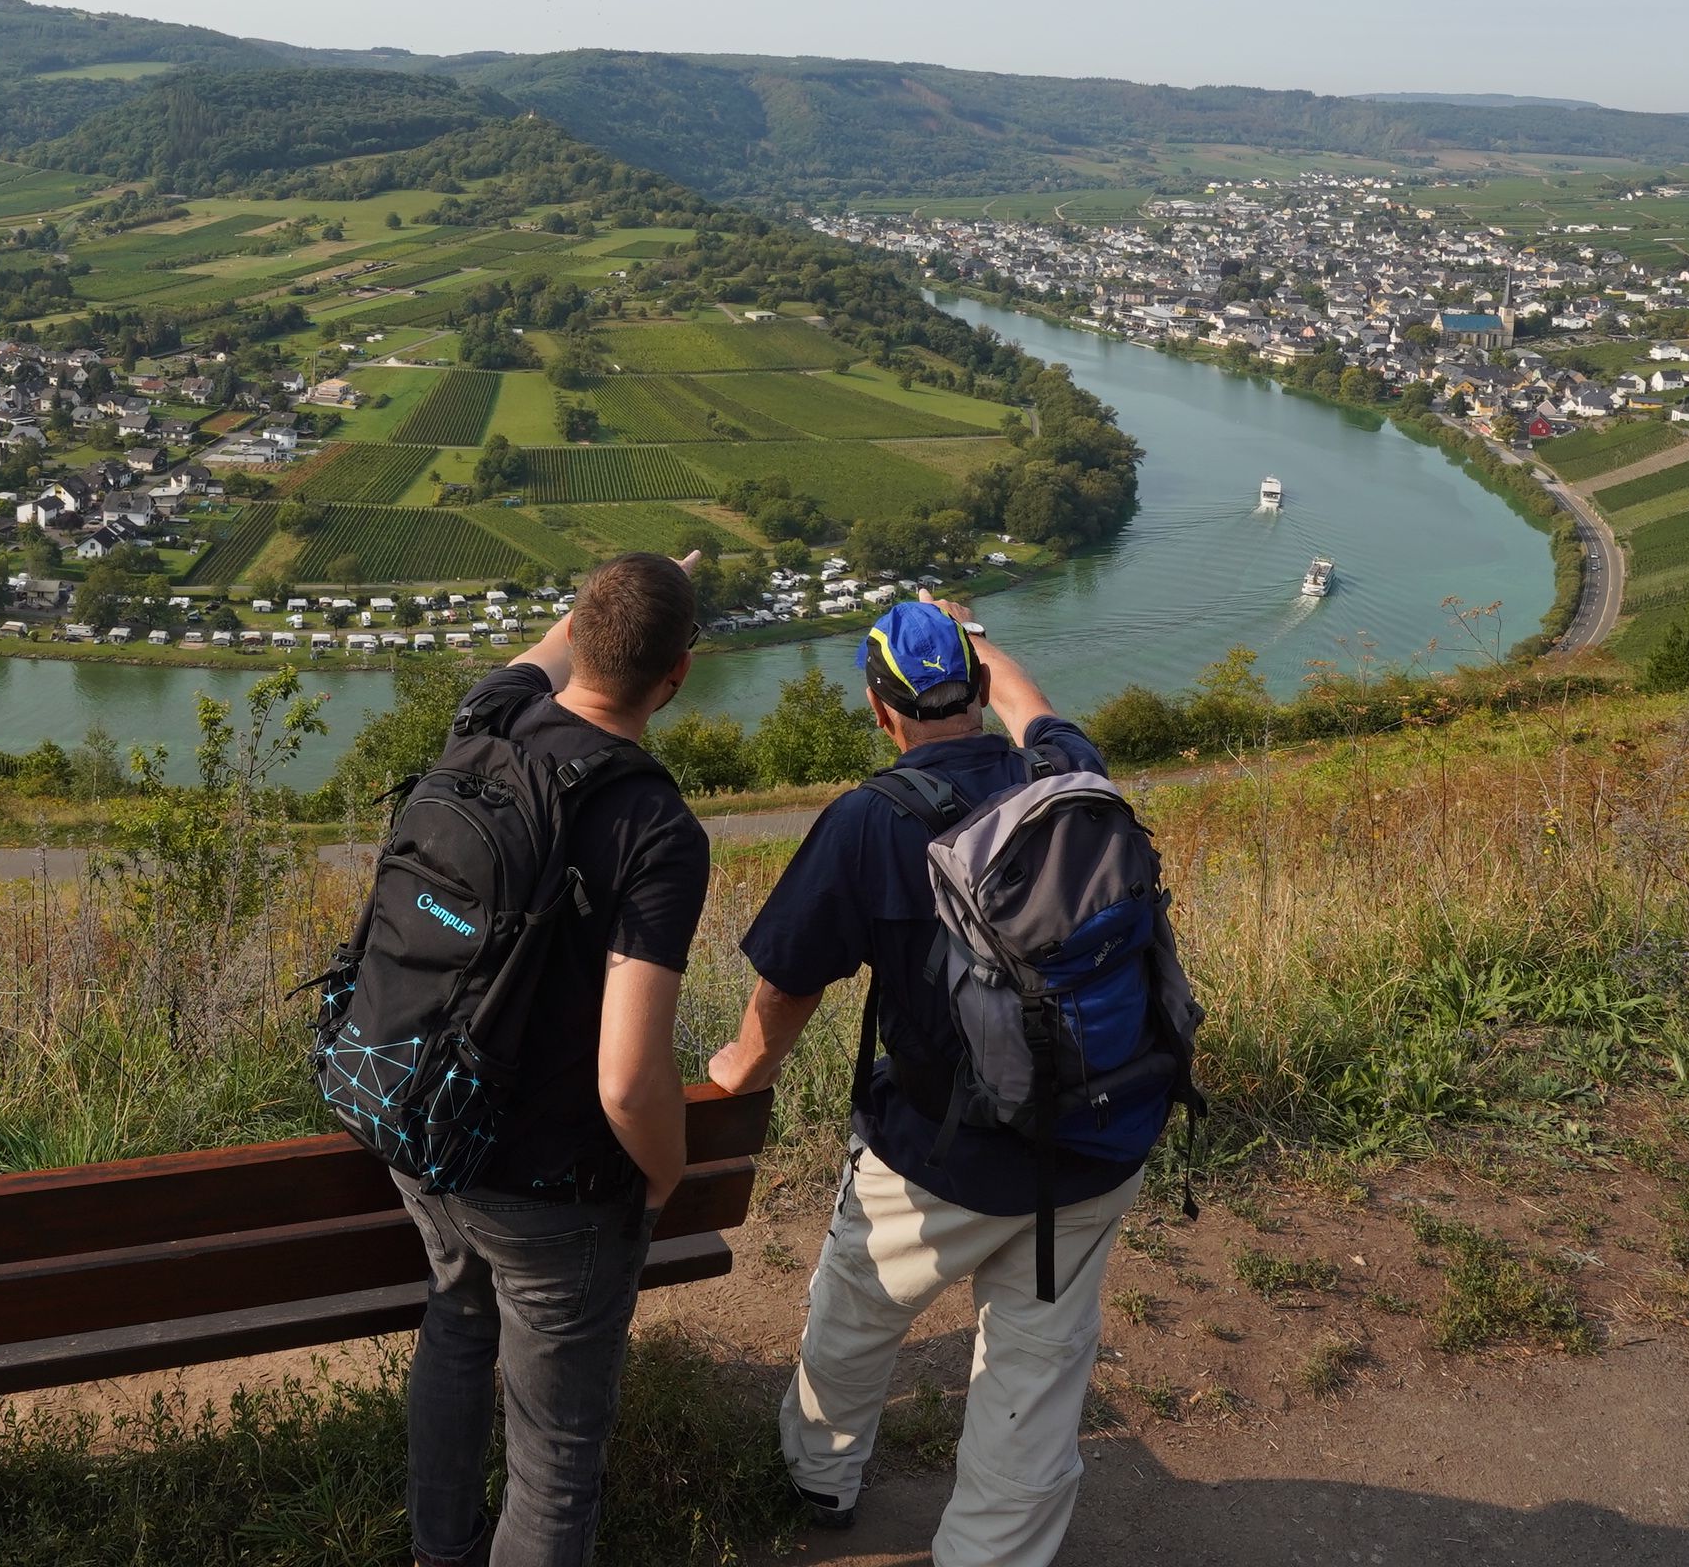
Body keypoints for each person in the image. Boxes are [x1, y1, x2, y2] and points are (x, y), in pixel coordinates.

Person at [703, 596, 1143, 1567]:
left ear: (880, 709)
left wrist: (742, 1064)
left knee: (857, 1307)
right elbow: (1031, 700)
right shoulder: (1067, 775)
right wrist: (975, 631)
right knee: (1035, 1373)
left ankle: (820, 1473)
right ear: (979, 690)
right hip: (1094, 1143)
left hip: (941, 1156)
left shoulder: (869, 820)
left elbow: (788, 984)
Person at [394, 551, 714, 1567]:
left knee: (454, 1323)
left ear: (573, 635)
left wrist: (625, 588)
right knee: (557, 1453)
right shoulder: (655, 827)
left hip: (421, 1126)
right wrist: (663, 1174)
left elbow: (540, 653)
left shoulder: (484, 719)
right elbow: (626, 1077)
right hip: (550, 1191)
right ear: (679, 676)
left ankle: (439, 1550)